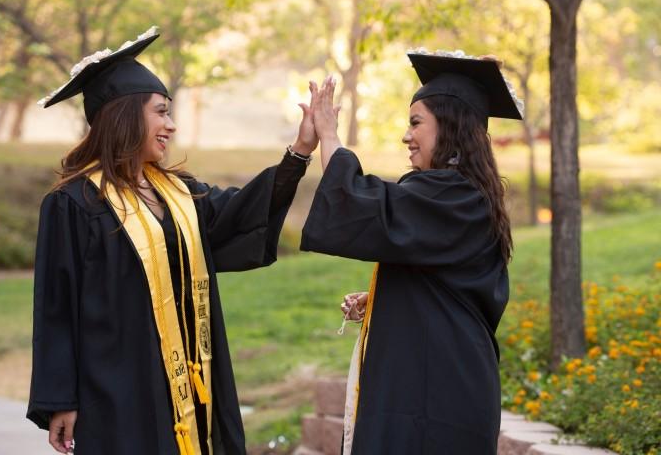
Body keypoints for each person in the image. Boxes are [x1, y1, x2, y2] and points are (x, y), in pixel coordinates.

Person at [27, 26, 317, 455]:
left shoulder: (179, 193)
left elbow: (241, 214)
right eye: (161, 112)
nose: (172, 125)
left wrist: (299, 153)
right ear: (125, 115)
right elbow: (56, 305)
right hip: (119, 385)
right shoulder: (74, 203)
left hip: (192, 376)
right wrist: (60, 400)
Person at [300, 49, 524, 454]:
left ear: (451, 126)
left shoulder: (454, 195)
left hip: (439, 398)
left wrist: (329, 136)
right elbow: (451, 284)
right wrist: (389, 298)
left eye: (416, 123)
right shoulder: (460, 195)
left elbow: (369, 207)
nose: (406, 136)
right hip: (433, 386)